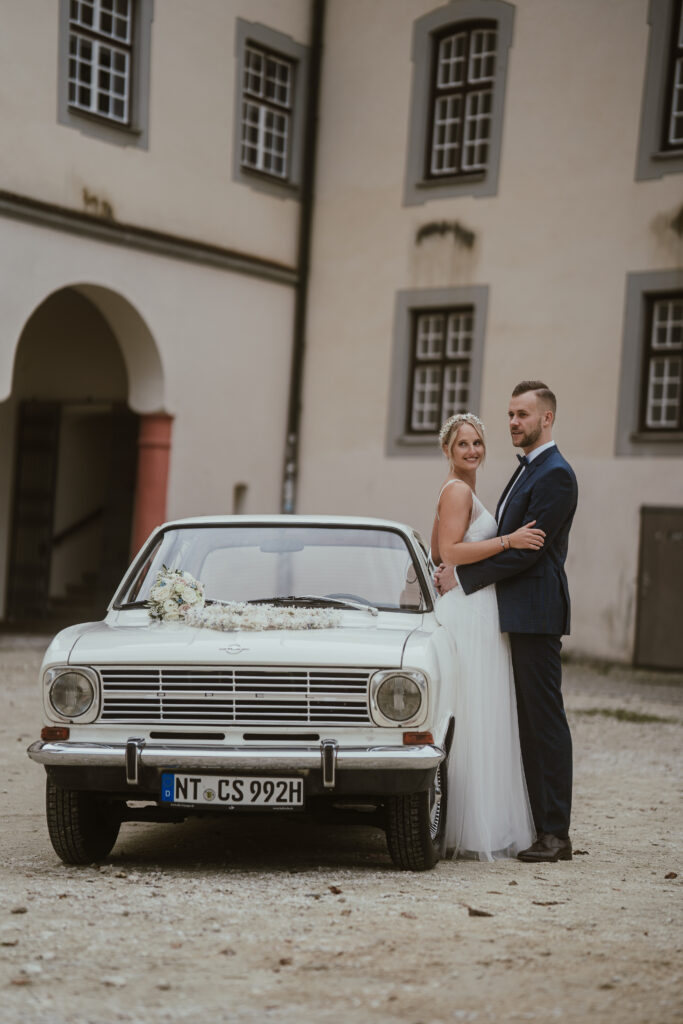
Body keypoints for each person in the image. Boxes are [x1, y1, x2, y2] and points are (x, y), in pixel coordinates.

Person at [435, 383, 578, 863]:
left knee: (544, 721)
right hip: (508, 611)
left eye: (523, 415)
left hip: (535, 614)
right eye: (511, 414)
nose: (514, 422)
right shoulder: (526, 471)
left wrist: (463, 577)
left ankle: (555, 833)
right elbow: (506, 542)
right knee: (523, 722)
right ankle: (539, 826)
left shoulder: (555, 475)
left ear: (547, 419)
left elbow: (526, 553)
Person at [431, 411, 542, 861]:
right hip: (471, 612)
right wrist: (508, 541)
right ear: (448, 450)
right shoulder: (457, 489)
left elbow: (440, 551)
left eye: (477, 443)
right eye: (463, 444)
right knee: (476, 709)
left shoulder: (460, 489)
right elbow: (452, 552)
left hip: (473, 605)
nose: (472, 450)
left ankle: (469, 820)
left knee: (477, 710)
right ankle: (472, 825)